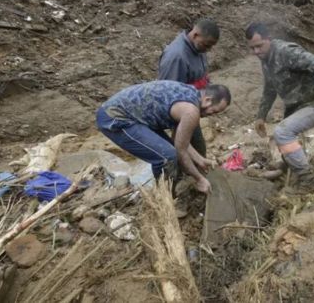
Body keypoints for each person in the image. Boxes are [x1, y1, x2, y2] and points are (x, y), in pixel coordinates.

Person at [246, 22, 314, 189]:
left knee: (283, 132)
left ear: (269, 39)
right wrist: (261, 116)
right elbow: (269, 88)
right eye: (253, 48)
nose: (256, 52)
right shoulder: (266, 59)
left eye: (259, 46)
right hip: (298, 106)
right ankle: (289, 166)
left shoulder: (285, 51)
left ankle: (308, 180)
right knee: (282, 134)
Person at [96, 80, 231, 194]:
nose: (211, 115)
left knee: (171, 152)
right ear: (207, 100)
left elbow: (180, 142)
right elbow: (180, 151)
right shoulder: (191, 111)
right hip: (115, 117)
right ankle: (167, 199)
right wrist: (199, 179)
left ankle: (173, 188)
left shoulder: (191, 94)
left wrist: (200, 159)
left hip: (134, 116)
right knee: (166, 157)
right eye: (214, 111)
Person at [158, 19, 220, 159]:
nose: (208, 49)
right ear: (196, 35)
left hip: (193, 106)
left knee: (197, 149)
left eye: (211, 46)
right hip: (181, 111)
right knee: (187, 149)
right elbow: (167, 93)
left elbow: (202, 75)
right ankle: (184, 177)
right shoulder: (176, 56)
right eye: (207, 45)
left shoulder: (198, 47)